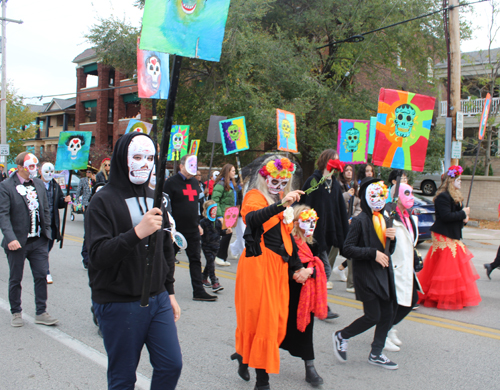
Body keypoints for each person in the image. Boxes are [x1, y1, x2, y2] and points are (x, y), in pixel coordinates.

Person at [86, 132, 182, 389]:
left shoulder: (157, 196)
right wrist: (138, 232)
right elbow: (96, 255)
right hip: (119, 300)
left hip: (157, 297)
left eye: (149, 157)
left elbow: (165, 248)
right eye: (137, 157)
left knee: (171, 365)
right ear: (122, 159)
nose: (144, 163)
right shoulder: (101, 200)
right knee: (123, 376)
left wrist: (169, 291)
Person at [232, 155, 311, 390]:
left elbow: (287, 239)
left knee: (275, 321)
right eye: (274, 182)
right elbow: (253, 219)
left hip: (277, 267)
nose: (277, 186)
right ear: (264, 178)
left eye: (282, 182)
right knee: (262, 321)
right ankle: (262, 381)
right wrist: (281, 204)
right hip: (258, 265)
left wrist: (297, 266)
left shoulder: (279, 200)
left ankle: (244, 356)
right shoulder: (254, 197)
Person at [333, 178, 399, 370]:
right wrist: (372, 253)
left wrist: (391, 240)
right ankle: (342, 335)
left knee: (387, 313)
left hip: (383, 273)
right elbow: (347, 249)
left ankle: (376, 352)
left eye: (381, 195)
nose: (378, 199)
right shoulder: (359, 221)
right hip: (366, 275)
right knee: (373, 315)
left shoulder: (386, 218)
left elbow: (388, 251)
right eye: (374, 195)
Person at [0, 152, 58, 327]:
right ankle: (16, 312)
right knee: (15, 278)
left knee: (41, 275)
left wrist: (47, 231)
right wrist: (10, 238)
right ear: (20, 167)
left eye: (36, 166)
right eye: (31, 166)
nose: (35, 169)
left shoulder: (39, 184)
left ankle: (41, 311)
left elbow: (45, 209)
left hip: (38, 241)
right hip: (17, 243)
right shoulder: (6, 186)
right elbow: (3, 215)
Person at [417, 165, 481, 310]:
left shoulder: (455, 195)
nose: (461, 182)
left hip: (452, 233)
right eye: (458, 179)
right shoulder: (443, 196)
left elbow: (456, 216)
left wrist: (463, 218)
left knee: (454, 265)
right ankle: (442, 296)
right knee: (447, 266)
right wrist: (463, 214)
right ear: (451, 180)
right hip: (443, 234)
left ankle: (454, 295)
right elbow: (445, 216)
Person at [280, 205, 327, 387]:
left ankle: (310, 367)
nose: (310, 225)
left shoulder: (313, 243)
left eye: (312, 221)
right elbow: (281, 264)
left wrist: (309, 271)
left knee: (306, 330)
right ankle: (247, 357)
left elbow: (319, 264)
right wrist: (296, 273)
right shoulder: (288, 240)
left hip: (306, 295)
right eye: (306, 221)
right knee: (275, 327)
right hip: (287, 291)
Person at [301, 149, 348, 318]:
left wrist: (343, 235)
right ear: (326, 161)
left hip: (328, 235)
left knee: (316, 272)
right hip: (313, 236)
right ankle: (321, 306)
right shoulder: (313, 180)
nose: (337, 163)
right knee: (324, 271)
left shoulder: (334, 183)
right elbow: (304, 205)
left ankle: (312, 302)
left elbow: (339, 210)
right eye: (334, 160)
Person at [164, 154, 218, 301]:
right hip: (176, 231)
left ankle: (198, 291)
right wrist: (169, 228)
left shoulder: (195, 183)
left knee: (195, 260)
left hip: (193, 229)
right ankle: (166, 292)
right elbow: (165, 207)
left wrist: (199, 223)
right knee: (169, 261)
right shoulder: (170, 183)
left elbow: (198, 205)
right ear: (181, 166)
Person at [384, 183, 421, 352]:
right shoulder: (388, 215)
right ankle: (383, 333)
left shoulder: (410, 217)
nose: (411, 196)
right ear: (397, 196)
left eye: (412, 193)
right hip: (393, 266)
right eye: (407, 193)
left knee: (411, 300)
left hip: (406, 267)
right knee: (393, 303)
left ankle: (389, 327)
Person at [38, 162, 71, 284]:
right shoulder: (34, 184)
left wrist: (65, 200)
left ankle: (40, 266)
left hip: (52, 222)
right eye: (46, 171)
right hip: (39, 223)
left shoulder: (55, 186)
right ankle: (45, 272)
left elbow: (60, 203)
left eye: (51, 172)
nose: (49, 174)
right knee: (43, 248)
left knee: (48, 247)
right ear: (40, 171)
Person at [200, 200, 231, 292]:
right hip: (207, 246)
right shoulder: (203, 222)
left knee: (210, 263)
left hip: (216, 246)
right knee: (211, 263)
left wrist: (226, 232)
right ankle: (215, 282)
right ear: (206, 210)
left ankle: (203, 277)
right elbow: (200, 234)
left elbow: (220, 232)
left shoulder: (217, 222)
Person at [212, 163, 240, 266]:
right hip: (224, 213)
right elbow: (215, 200)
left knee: (228, 234)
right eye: (233, 171)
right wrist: (219, 216)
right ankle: (219, 256)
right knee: (225, 234)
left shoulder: (232, 184)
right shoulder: (221, 184)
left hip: (231, 212)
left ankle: (222, 257)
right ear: (227, 172)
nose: (234, 173)